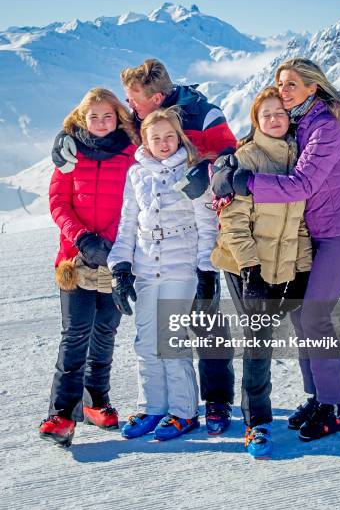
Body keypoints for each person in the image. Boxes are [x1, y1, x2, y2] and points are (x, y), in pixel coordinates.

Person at [52, 59, 237, 435]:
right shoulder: (141, 128)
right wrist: (66, 137)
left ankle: (212, 402)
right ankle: (156, 406)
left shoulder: (205, 114)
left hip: (196, 245)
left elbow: (231, 155)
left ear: (155, 99)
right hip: (149, 258)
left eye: (133, 100)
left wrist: (211, 169)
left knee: (201, 326)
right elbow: (106, 132)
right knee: (149, 339)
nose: (129, 107)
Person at [212, 58, 340, 442]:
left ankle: (337, 407)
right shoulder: (302, 121)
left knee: (315, 317)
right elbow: (267, 143)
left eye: (291, 85)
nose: (283, 92)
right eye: (280, 84)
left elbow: (301, 184)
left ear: (312, 87)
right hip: (319, 232)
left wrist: (244, 182)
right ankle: (319, 397)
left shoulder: (327, 128)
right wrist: (227, 161)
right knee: (304, 319)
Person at [211, 87, 312, 458]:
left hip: (280, 266)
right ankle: (257, 423)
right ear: (256, 120)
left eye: (279, 113)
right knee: (259, 339)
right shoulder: (246, 158)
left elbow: (300, 224)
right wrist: (251, 270)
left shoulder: (299, 160)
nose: (274, 119)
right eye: (265, 114)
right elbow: (232, 223)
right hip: (244, 266)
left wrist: (301, 271)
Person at [107, 107, 219, 441]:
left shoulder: (191, 171)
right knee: (145, 341)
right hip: (145, 267)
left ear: (179, 136)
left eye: (170, 135)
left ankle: (183, 412)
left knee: (171, 341)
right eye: (156, 138)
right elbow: (127, 222)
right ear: (145, 141)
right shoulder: (136, 175)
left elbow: (206, 223)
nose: (164, 143)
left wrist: (206, 271)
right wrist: (121, 267)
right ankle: (153, 406)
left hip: (180, 266)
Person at [39, 89, 139, 447]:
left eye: (107, 116)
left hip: (115, 255)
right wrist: (83, 238)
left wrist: (111, 244)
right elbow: (58, 202)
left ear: (118, 117)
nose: (100, 123)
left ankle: (97, 400)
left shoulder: (131, 153)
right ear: (82, 118)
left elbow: (134, 203)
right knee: (75, 333)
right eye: (92, 116)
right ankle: (62, 413)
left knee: (105, 331)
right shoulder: (69, 153)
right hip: (75, 258)